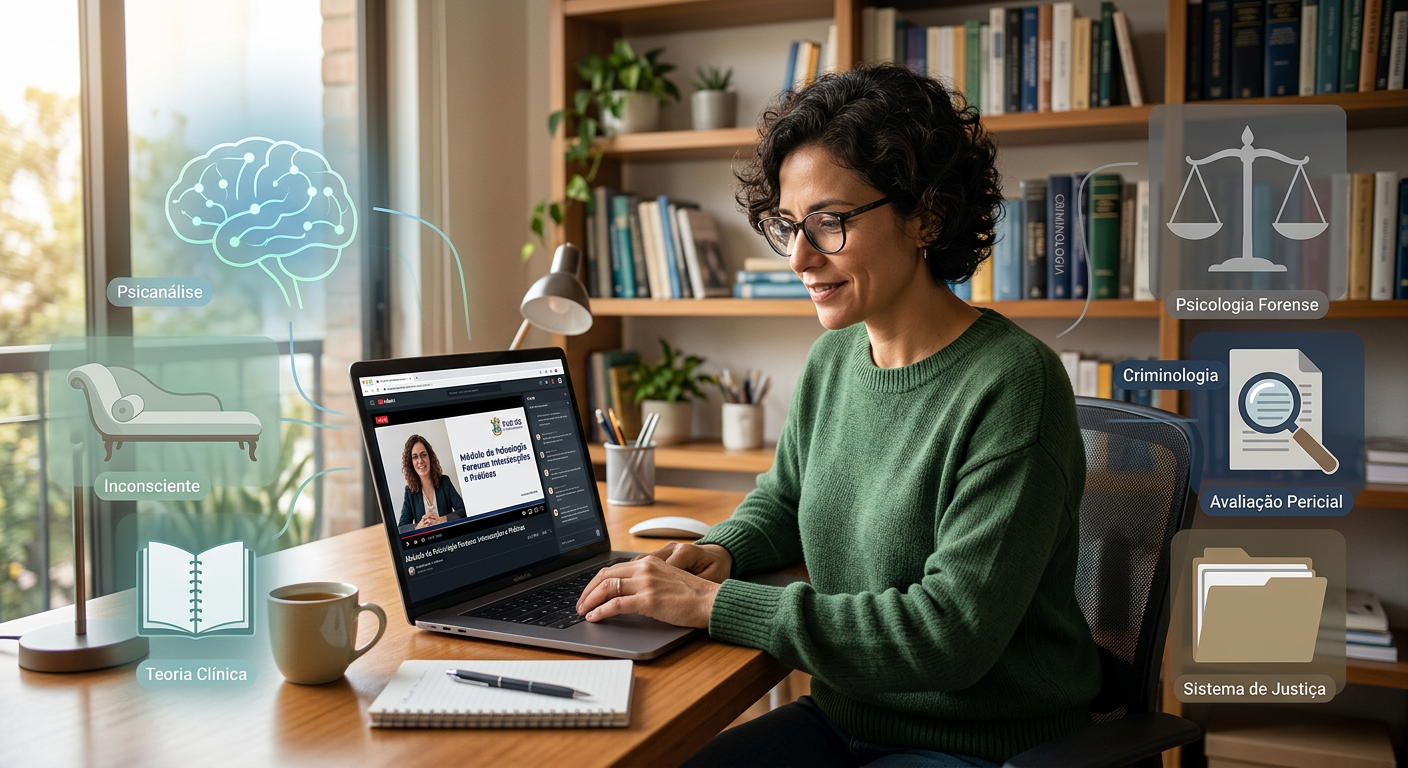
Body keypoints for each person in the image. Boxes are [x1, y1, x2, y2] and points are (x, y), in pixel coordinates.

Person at [575, 64, 1100, 767]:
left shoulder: (1013, 385)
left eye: (829, 223)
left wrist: (711, 605)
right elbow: (785, 500)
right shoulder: (833, 361)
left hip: (977, 746)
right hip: (841, 716)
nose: (799, 257)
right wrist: (719, 553)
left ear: (926, 216)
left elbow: (948, 635)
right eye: (789, 225)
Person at [397, 435, 466, 531]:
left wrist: (442, 520)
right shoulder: (410, 492)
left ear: (430, 457)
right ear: (411, 463)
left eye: (423, 455)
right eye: (415, 457)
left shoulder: (444, 482)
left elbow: (463, 510)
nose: (420, 461)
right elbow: (401, 528)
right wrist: (418, 526)